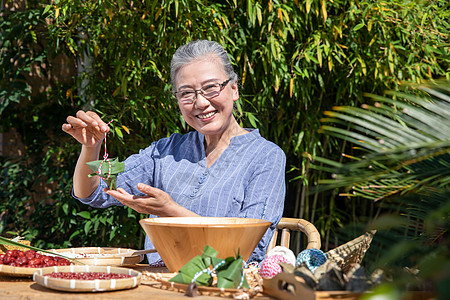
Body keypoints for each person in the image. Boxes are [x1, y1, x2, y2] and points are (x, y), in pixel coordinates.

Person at [62, 39, 286, 265]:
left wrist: (172, 211)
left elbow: (247, 251)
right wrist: (91, 148)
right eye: (186, 93)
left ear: (234, 89)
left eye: (210, 88)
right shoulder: (165, 151)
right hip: (157, 285)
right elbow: (92, 192)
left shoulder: (266, 157)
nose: (200, 102)